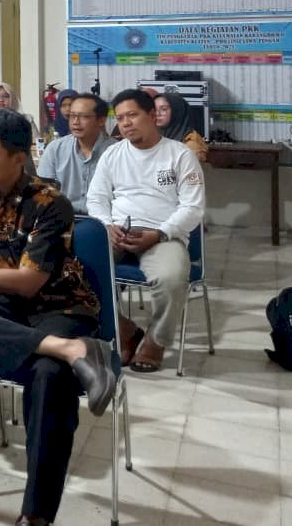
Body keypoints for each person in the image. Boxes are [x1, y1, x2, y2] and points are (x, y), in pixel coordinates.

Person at [0, 108, 116, 526]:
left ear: (18, 158)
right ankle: (74, 351)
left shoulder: (49, 203)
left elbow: (28, 282)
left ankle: (36, 516)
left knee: (50, 376)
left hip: (58, 304)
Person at [86, 89, 205, 373]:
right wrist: (106, 225)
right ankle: (125, 330)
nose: (126, 123)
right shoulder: (113, 154)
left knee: (172, 277)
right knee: (73, 271)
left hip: (163, 236)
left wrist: (160, 233)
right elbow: (96, 199)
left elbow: (194, 207)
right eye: (121, 118)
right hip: (117, 232)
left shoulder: (180, 155)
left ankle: (155, 340)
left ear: (152, 116)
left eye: (133, 115)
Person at [37, 93, 111, 214]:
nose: (75, 122)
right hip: (62, 218)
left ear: (101, 120)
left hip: (103, 220)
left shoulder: (115, 151)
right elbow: (43, 191)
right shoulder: (55, 149)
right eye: (72, 116)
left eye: (84, 117)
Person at [153, 91, 209, 162]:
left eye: (163, 109)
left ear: (177, 112)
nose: (157, 113)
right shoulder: (154, 135)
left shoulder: (191, 145)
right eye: (155, 109)